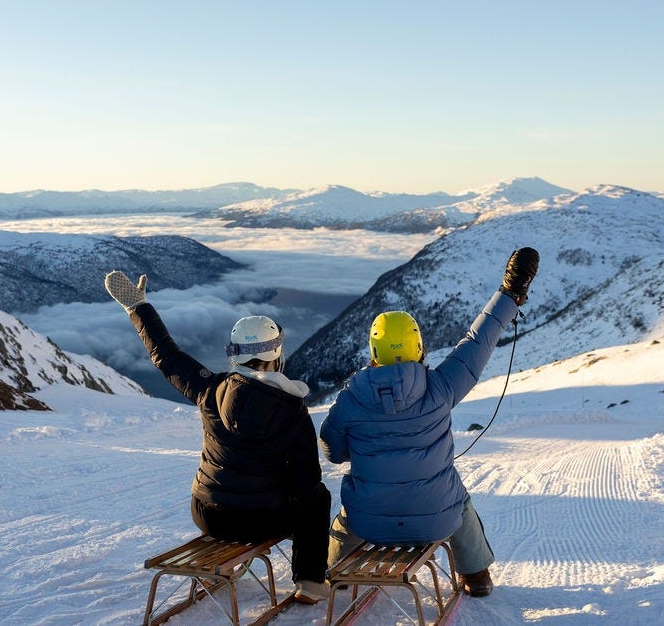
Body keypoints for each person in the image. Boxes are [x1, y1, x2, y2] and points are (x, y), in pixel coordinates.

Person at [319, 247, 539, 598]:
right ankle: (476, 576)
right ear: (418, 347)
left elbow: (331, 451)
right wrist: (510, 292)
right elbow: (477, 342)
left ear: (373, 353)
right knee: (460, 504)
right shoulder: (441, 388)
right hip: (436, 519)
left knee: (349, 516)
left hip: (370, 521)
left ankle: (335, 573)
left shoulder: (350, 400)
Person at [104, 270, 333, 604]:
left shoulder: (209, 389)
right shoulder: (291, 408)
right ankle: (310, 582)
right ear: (275, 355)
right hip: (261, 520)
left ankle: (236, 558)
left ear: (235, 354)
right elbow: (306, 480)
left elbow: (167, 357)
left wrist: (138, 308)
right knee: (318, 496)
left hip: (207, 513)